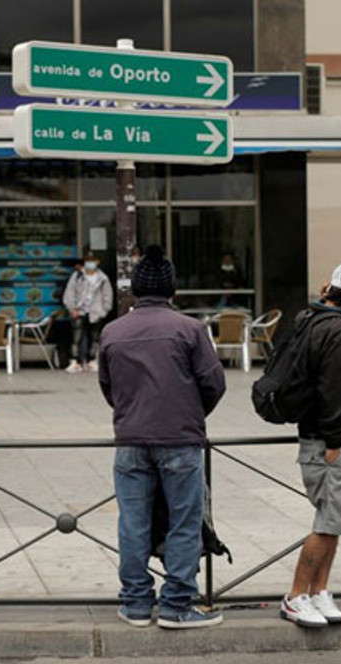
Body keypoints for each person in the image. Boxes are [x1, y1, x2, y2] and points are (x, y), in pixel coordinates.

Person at [98, 245, 226, 630]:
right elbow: (214, 384)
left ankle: (136, 602)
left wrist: (133, 413)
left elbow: (108, 388)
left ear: (135, 290)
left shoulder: (112, 331)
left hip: (131, 440)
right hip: (180, 439)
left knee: (132, 523)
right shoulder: (190, 329)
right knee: (184, 522)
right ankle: (176, 604)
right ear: (172, 289)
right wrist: (188, 413)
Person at [280, 262, 341, 630]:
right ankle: (296, 595)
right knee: (328, 523)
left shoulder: (310, 319)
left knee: (334, 521)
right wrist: (334, 440)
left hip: (314, 434)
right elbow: (333, 389)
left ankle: (320, 590)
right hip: (327, 440)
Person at [62, 251, 113, 373]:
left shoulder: (103, 278)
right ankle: (75, 361)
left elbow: (108, 296)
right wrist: (72, 309)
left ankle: (92, 361)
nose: (90, 263)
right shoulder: (77, 276)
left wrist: (103, 311)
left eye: (92, 260)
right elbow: (69, 293)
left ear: (98, 262)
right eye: (87, 260)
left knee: (95, 337)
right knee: (76, 337)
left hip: (95, 312)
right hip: (79, 311)